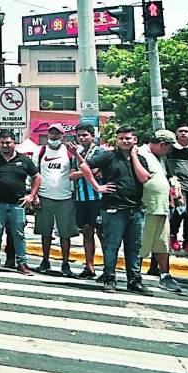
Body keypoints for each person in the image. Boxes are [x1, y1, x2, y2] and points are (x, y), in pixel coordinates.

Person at [78, 127, 152, 294]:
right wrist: (97, 187)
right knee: (112, 245)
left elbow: (144, 178)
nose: (125, 141)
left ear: (135, 140)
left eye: (128, 138)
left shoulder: (140, 159)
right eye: (121, 138)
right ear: (117, 140)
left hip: (135, 209)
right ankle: (109, 278)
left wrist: (133, 157)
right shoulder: (108, 155)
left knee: (134, 247)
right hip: (113, 208)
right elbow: (84, 166)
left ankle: (134, 280)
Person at [0, 128, 40, 275]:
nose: (5, 146)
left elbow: (37, 177)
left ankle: (22, 264)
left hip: (17, 205)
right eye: (2, 143)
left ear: (14, 143)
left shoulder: (24, 160)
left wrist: (32, 195)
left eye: (8, 143)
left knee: (19, 235)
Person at [139, 129, 181, 292]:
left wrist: (171, 197)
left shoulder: (160, 157)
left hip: (161, 207)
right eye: (169, 147)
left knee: (163, 244)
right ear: (162, 144)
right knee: (141, 243)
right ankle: (135, 275)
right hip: (147, 207)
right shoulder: (140, 153)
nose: (170, 151)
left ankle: (165, 275)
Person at [33, 124, 77, 277]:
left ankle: (65, 264)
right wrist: (35, 195)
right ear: (47, 135)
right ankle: (45, 261)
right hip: (44, 196)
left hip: (65, 198)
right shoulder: (40, 151)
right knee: (45, 233)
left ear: (63, 136)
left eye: (57, 134)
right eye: (51, 133)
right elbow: (34, 174)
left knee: (66, 234)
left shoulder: (69, 153)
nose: (53, 136)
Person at [69, 123, 103, 280]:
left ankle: (109, 269)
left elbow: (95, 173)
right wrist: (84, 172)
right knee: (87, 232)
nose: (82, 138)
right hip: (81, 199)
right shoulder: (76, 153)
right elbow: (71, 176)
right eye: (79, 135)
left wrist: (81, 169)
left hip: (98, 199)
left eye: (85, 135)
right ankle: (89, 266)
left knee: (103, 234)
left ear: (92, 136)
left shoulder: (100, 152)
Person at [167, 124, 188, 257]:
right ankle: (173, 235)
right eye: (181, 131)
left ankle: (187, 240)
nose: (184, 133)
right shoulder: (170, 149)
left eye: (186, 131)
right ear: (176, 134)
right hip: (178, 186)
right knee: (179, 212)